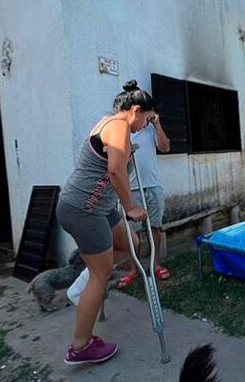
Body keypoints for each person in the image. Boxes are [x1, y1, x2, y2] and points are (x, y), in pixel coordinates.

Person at [55, 80, 153, 365]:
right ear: (135, 110)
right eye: (146, 119)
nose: (145, 125)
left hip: (100, 207)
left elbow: (115, 165)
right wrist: (131, 207)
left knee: (129, 244)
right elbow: (114, 171)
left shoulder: (112, 124)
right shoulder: (118, 126)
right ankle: (80, 346)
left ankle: (84, 286)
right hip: (83, 209)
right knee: (101, 274)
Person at [117, 101, 171, 287]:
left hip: (153, 185)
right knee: (134, 233)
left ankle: (155, 265)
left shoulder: (151, 129)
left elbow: (165, 147)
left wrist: (157, 125)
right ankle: (134, 268)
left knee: (155, 227)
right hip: (131, 188)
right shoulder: (124, 131)